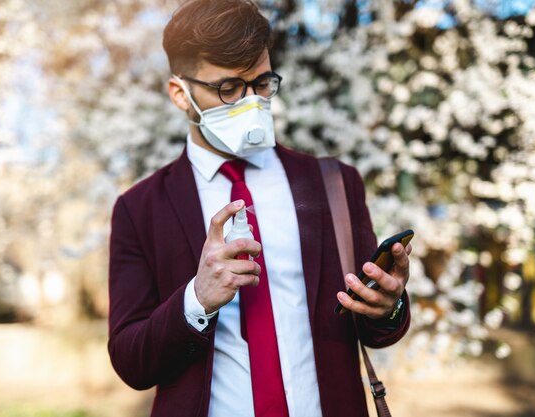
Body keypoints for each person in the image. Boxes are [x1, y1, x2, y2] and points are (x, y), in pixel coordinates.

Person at [108, 1, 412, 416]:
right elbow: (131, 361)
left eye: (263, 82)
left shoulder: (334, 184)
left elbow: (373, 328)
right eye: (229, 88)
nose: (252, 101)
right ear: (181, 94)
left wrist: (388, 305)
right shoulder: (139, 209)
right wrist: (197, 299)